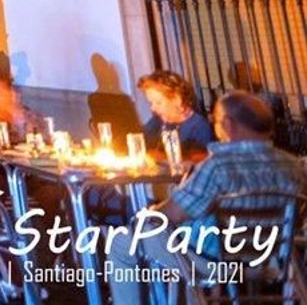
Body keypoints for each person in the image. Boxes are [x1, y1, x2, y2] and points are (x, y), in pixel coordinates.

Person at [106, 92, 307, 305]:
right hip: (271, 261)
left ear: (228, 124)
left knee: (122, 242)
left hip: (213, 262)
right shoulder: (292, 167)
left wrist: (147, 214)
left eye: (216, 121)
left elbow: (173, 214)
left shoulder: (218, 166)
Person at [138, 70, 214, 161]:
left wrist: (163, 157)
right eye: (151, 103)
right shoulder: (156, 121)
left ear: (177, 100)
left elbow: (200, 161)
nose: (152, 108)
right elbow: (141, 142)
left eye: (158, 103)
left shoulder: (198, 126)